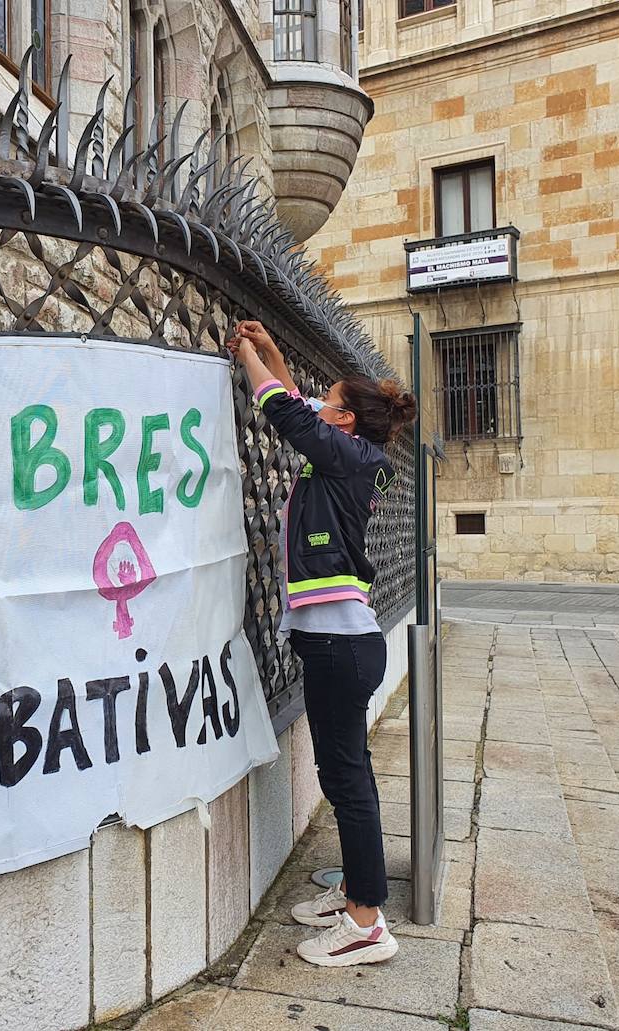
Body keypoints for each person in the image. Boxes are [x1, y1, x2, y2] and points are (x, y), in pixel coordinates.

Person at [227, 320, 417, 969]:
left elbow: (282, 408)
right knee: (348, 773)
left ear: (344, 421)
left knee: (346, 779)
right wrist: (275, 350)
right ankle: (359, 897)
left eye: (329, 401)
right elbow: (303, 404)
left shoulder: (346, 455)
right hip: (340, 644)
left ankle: (367, 920)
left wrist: (250, 354)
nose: (317, 403)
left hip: (340, 646)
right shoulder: (351, 450)